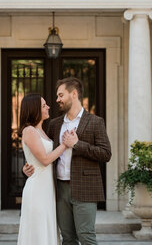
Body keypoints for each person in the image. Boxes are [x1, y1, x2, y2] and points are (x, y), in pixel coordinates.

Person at [23, 77, 112, 245]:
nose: (57, 100)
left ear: (74, 94)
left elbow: (106, 154)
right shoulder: (55, 124)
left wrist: (77, 144)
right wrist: (27, 168)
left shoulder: (95, 122)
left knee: (86, 236)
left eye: (60, 95)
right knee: (67, 238)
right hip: (59, 188)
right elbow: (43, 152)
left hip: (85, 188)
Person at [17, 93, 68, 245]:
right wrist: (65, 145)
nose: (48, 107)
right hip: (37, 190)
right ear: (35, 109)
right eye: (44, 105)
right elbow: (45, 160)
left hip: (47, 189)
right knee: (38, 232)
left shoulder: (42, 131)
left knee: (47, 229)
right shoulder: (29, 131)